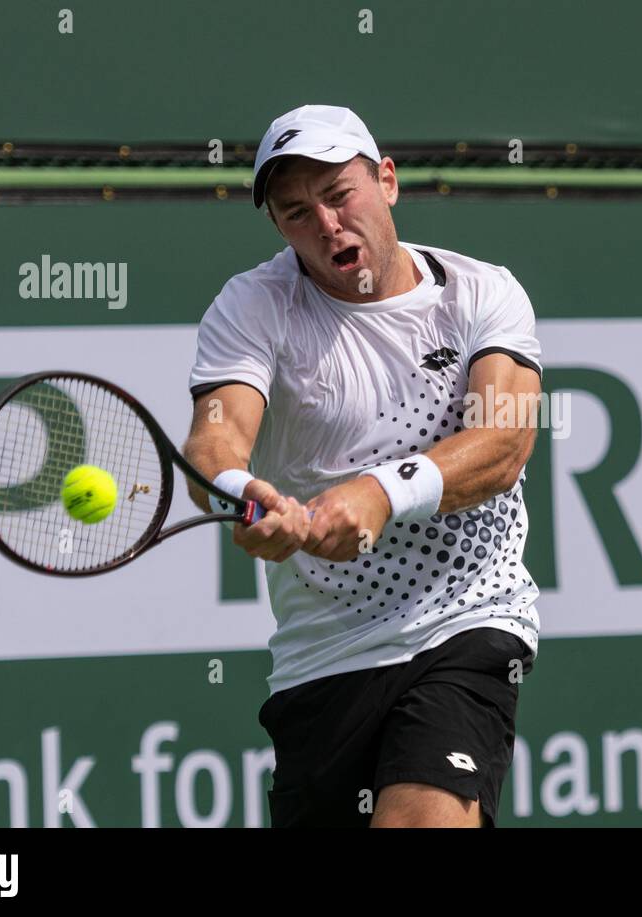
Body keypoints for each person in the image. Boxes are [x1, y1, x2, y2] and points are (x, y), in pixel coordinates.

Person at [183, 104, 542, 827]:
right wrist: (246, 495)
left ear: (387, 181)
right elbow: (212, 448)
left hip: (463, 620)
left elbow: (503, 443)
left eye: (339, 195)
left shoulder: (481, 293)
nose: (325, 223)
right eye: (295, 212)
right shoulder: (253, 306)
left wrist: (381, 494)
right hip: (324, 659)